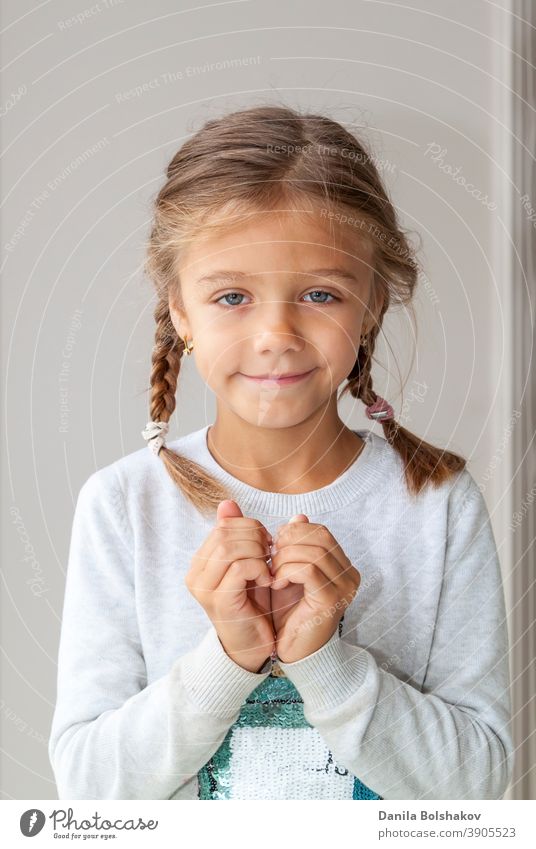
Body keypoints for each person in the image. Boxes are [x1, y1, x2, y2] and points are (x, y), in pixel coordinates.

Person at [48, 104, 514, 800]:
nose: (276, 333)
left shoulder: (437, 503)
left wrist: (324, 659)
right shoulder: (123, 505)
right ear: (180, 309)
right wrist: (230, 657)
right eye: (232, 295)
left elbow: (475, 788)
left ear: (373, 303)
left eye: (320, 293)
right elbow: (88, 790)